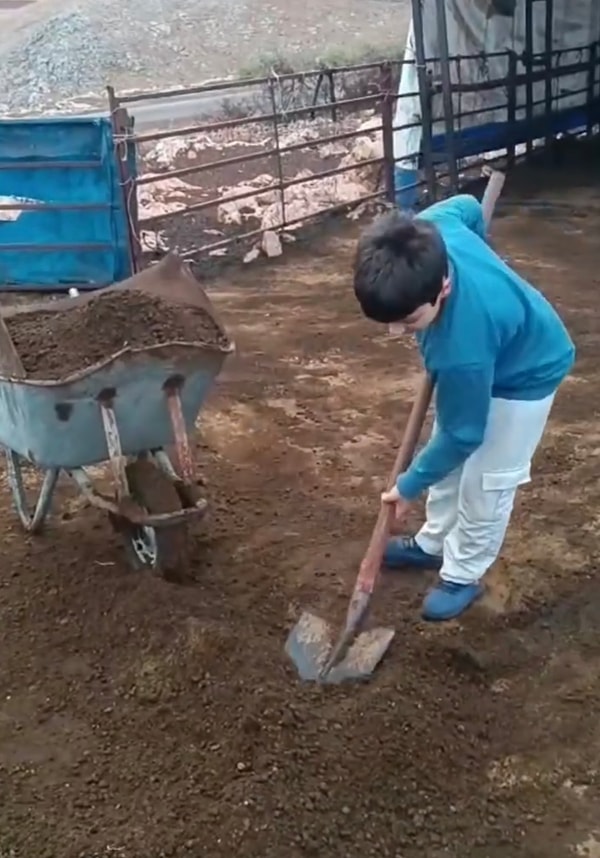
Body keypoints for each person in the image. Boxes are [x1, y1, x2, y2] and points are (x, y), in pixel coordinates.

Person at [352, 194, 575, 622]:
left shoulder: (459, 348)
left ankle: (463, 572)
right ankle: (431, 543)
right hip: (488, 347)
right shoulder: (429, 229)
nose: (398, 333)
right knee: (447, 458)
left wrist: (409, 484)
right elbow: (470, 205)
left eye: (410, 321)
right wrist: (481, 247)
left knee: (486, 480)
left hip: (526, 371)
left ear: (444, 286)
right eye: (388, 323)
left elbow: (466, 433)